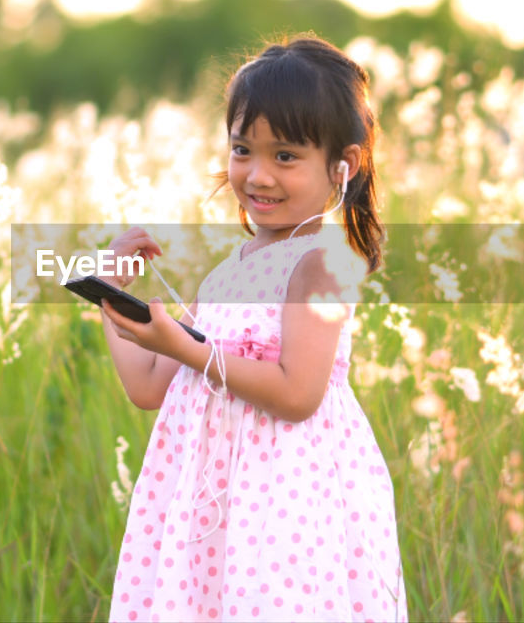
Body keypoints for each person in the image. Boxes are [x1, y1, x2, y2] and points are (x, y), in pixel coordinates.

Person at [99, 36, 405, 621]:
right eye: (243, 150)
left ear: (344, 165)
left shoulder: (322, 263)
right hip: (209, 503)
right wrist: (110, 296)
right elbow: (146, 385)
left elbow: (297, 394)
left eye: (285, 156)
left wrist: (189, 350)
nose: (258, 175)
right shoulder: (226, 274)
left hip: (284, 502)